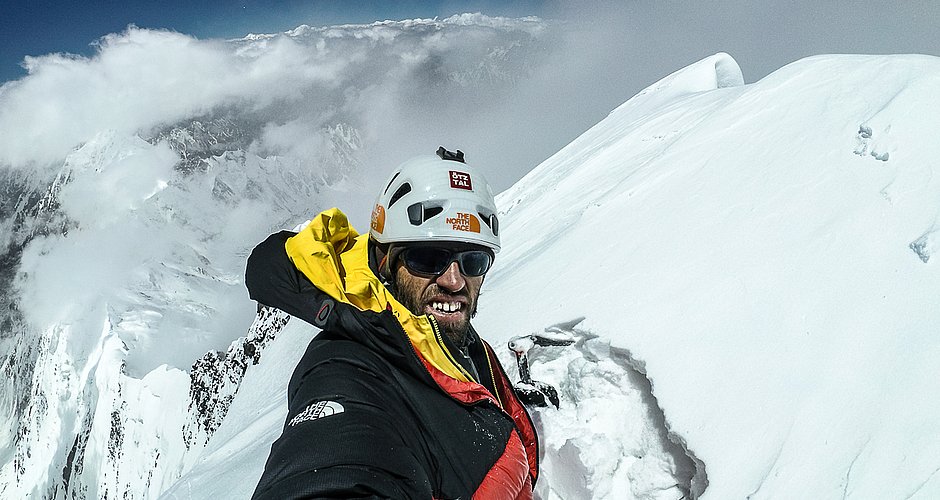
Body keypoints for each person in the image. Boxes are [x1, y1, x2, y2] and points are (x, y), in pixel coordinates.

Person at [245, 147, 539, 499]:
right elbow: (334, 466)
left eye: (473, 261)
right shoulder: (345, 370)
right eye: (428, 257)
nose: (454, 281)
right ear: (385, 263)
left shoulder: (443, 340)